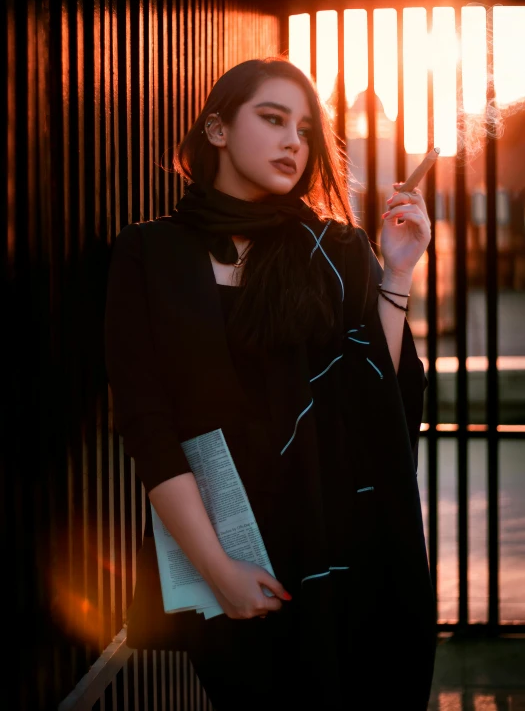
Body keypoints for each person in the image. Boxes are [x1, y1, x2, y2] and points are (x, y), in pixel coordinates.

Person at [104, 57, 437, 710]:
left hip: (345, 548)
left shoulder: (336, 248)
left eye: (306, 128)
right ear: (217, 129)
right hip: (223, 549)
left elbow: (376, 400)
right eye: (273, 118)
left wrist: (394, 275)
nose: (294, 141)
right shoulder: (149, 254)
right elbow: (148, 425)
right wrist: (217, 570)